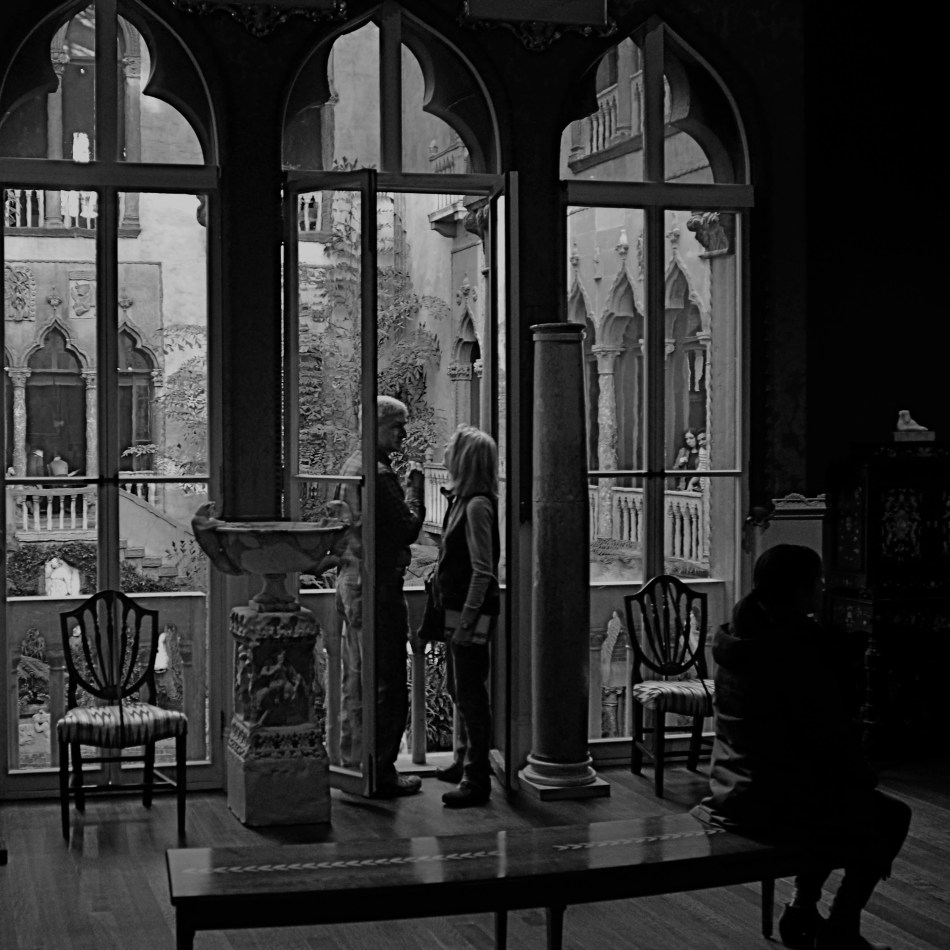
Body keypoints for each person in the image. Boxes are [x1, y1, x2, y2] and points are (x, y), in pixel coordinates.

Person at [691, 545, 911, 950]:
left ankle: (802, 911)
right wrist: (863, 776)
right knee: (890, 816)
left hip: (732, 787)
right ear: (800, 589)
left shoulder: (740, 637)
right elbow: (826, 735)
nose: (823, 588)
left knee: (837, 804)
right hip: (773, 800)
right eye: (818, 581)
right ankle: (839, 927)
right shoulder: (796, 651)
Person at [335, 395, 426, 797]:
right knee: (387, 681)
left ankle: (355, 765)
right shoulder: (379, 474)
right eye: (396, 426)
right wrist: (416, 491)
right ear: (376, 426)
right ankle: (381, 772)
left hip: (351, 579)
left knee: (356, 679)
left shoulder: (351, 466)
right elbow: (406, 529)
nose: (403, 434)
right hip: (377, 585)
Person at [431, 424, 500, 808]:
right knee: (458, 689)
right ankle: (463, 759)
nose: (444, 450)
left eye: (450, 446)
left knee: (471, 695)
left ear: (465, 459)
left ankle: (477, 779)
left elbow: (483, 570)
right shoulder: (462, 500)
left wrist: (468, 621)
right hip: (456, 610)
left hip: (469, 614)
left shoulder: (476, 506)